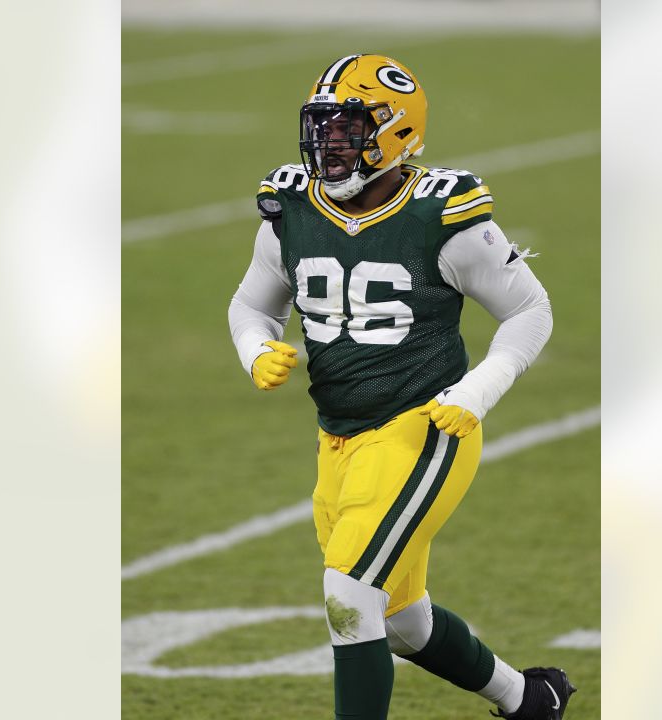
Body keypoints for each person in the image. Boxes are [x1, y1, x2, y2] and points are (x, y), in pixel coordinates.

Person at [227, 54, 573, 720]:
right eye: (321, 128)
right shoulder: (291, 208)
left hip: (424, 426)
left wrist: (478, 390)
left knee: (350, 590)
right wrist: (254, 348)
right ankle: (526, 698)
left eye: (346, 128)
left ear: (394, 132)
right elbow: (251, 303)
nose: (327, 144)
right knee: (402, 618)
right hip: (339, 437)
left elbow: (530, 310)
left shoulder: (440, 215)